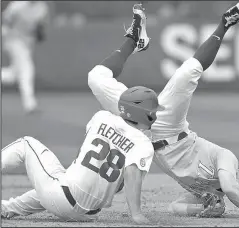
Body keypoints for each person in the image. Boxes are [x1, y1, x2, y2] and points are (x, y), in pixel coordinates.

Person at [88, 2, 239, 218]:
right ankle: (224, 24)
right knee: (186, 74)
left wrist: (203, 209)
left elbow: (175, 207)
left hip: (140, 135)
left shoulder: (212, 193)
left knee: (95, 78)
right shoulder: (228, 159)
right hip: (169, 127)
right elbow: (230, 187)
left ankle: (135, 38)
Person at [1, 4, 163, 224]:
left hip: (64, 197)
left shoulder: (101, 118)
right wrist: (136, 214)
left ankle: (133, 40)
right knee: (60, 182)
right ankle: (8, 208)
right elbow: (128, 178)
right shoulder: (144, 146)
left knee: (26, 144)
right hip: (88, 214)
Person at [1, 1, 49, 114]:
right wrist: (5, 33)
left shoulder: (42, 7)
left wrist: (40, 32)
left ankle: (30, 104)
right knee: (27, 69)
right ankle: (30, 105)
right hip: (13, 40)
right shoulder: (17, 5)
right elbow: (6, 20)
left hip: (27, 43)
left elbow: (40, 27)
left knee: (14, 75)